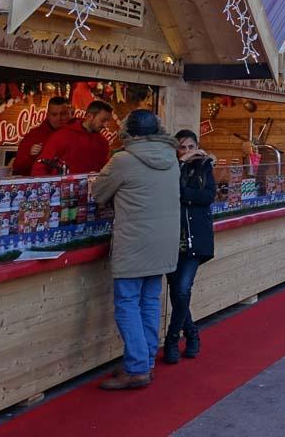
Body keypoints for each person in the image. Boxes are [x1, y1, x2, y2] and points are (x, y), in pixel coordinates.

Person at [92, 110, 180, 389]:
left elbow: (98, 193)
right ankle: (145, 359)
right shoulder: (171, 158)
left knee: (127, 303)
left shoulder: (123, 160)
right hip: (163, 243)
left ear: (128, 131)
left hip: (134, 242)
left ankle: (137, 367)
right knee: (150, 301)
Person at [163, 129, 216, 364]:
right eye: (181, 147)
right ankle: (192, 333)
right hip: (170, 238)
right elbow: (166, 192)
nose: (186, 152)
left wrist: (184, 194)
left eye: (190, 147)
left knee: (182, 289)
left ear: (198, 147)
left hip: (195, 238)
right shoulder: (169, 168)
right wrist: (181, 166)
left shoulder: (204, 167)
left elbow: (208, 196)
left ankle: (172, 339)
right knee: (177, 291)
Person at [36, 99, 113, 175]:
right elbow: (41, 165)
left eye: (108, 121)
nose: (105, 125)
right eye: (103, 120)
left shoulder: (103, 142)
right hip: (63, 186)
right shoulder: (63, 135)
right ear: (90, 116)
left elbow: (104, 171)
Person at [11, 96, 73, 175]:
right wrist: (30, 156)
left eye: (63, 114)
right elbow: (18, 168)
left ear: (71, 114)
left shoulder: (79, 134)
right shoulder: (34, 136)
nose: (59, 118)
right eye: (54, 115)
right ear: (47, 115)